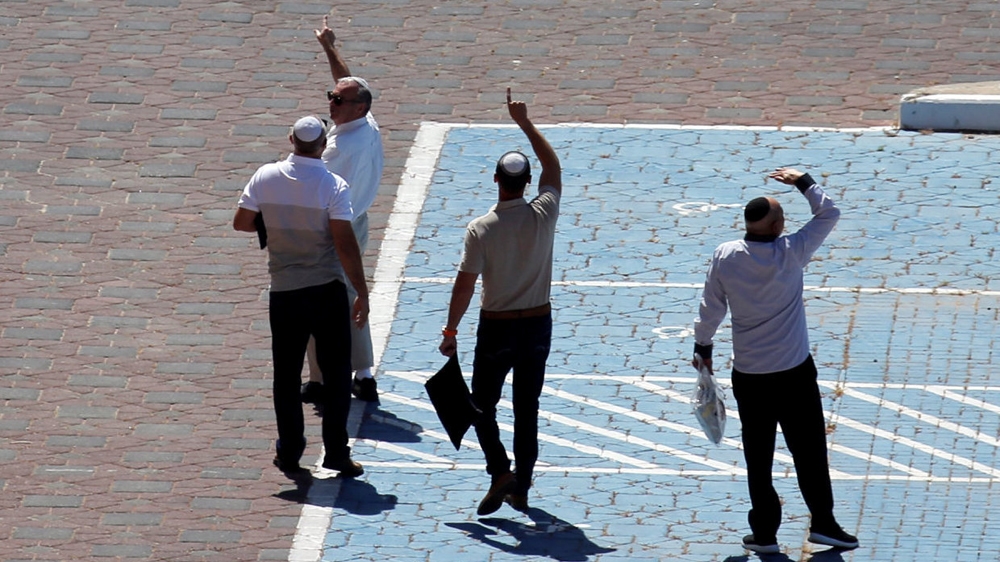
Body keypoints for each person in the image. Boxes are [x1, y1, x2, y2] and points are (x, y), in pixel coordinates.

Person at [692, 167, 859, 554]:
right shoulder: (791, 252)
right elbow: (829, 212)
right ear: (776, 226)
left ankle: (764, 532)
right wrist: (804, 181)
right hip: (793, 373)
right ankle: (824, 523)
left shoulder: (727, 255)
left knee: (758, 454)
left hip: (749, 375)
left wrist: (703, 347)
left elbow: (710, 306)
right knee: (809, 450)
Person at [439, 88, 561, 516]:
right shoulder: (544, 213)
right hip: (537, 326)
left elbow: (465, 285)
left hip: (496, 328)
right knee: (527, 409)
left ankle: (499, 470)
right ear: (526, 183)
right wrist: (525, 123)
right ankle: (521, 486)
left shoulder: (480, 229)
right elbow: (553, 166)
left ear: (495, 180)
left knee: (481, 404)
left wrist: (450, 330)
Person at [233, 115, 369, 478]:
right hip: (326, 289)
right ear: (323, 145)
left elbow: (242, 222)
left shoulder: (265, 177)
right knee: (337, 373)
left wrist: (274, 223)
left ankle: (290, 450)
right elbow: (344, 242)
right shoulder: (333, 185)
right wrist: (362, 291)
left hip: (285, 291)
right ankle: (337, 452)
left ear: (291, 139)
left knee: (286, 375)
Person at [301, 15, 385, 404]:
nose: (331, 104)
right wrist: (329, 48)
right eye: (331, 98)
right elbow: (350, 82)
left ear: (359, 107)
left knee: (318, 297)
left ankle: (320, 379)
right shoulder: (367, 124)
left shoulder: (339, 149)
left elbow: (312, 184)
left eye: (338, 101)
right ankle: (364, 373)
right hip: (358, 221)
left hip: (334, 227)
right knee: (353, 294)